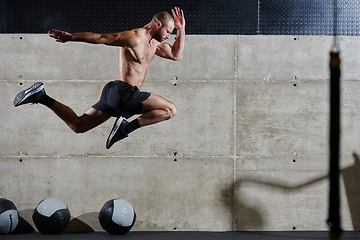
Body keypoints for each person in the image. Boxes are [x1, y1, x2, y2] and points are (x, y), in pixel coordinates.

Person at [13, 7, 185, 149]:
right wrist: (71, 37)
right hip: (124, 93)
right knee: (170, 110)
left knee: (78, 125)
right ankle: (125, 128)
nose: (169, 36)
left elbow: (177, 55)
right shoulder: (135, 37)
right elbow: (102, 38)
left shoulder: (155, 44)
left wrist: (181, 29)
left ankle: (40, 96)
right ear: (158, 24)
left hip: (115, 95)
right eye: (169, 31)